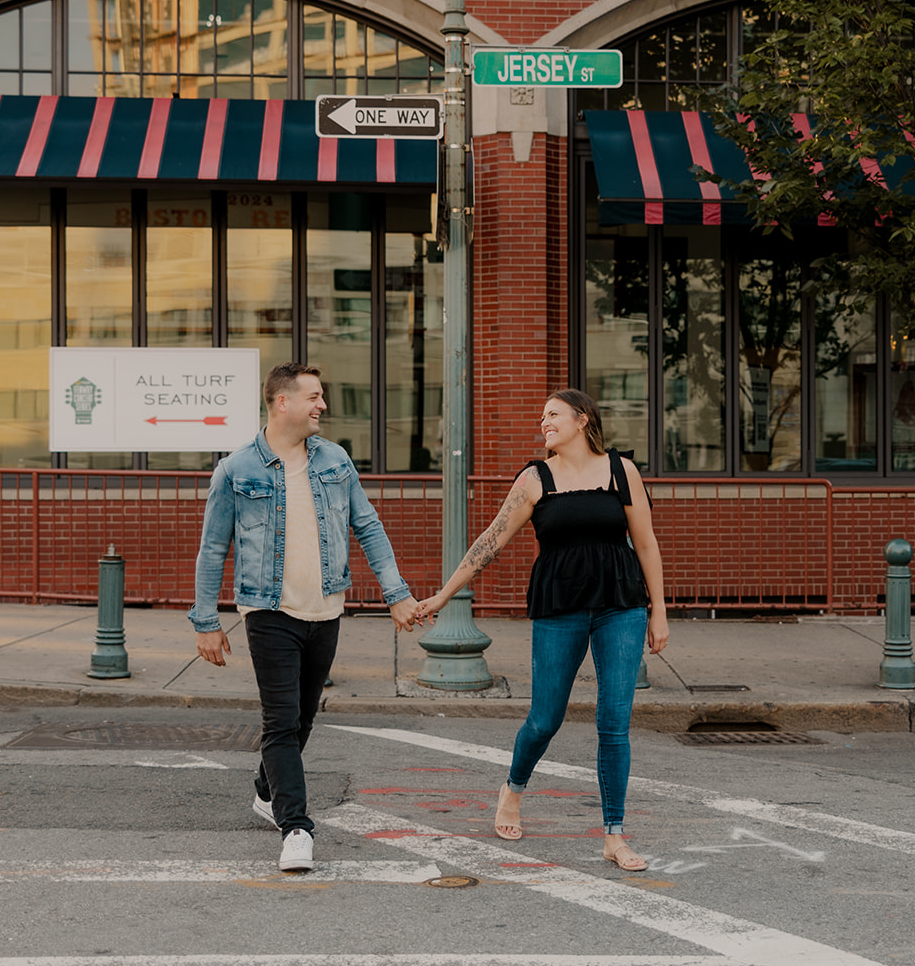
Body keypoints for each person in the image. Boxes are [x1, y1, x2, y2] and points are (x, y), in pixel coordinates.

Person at [417, 387, 668, 871]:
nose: (544, 422)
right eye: (542, 417)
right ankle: (513, 788)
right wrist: (444, 595)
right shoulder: (535, 479)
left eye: (554, 414)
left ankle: (614, 835)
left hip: (621, 605)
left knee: (614, 724)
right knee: (545, 718)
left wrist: (659, 610)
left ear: (583, 420)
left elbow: (647, 543)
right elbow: (489, 542)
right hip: (560, 607)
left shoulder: (622, 471)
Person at [189, 362, 421, 874]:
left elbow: (369, 526)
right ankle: (295, 827)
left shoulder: (334, 459)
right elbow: (212, 550)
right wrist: (205, 621)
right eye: (314, 396)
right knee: (280, 720)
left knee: (303, 717)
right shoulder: (236, 469)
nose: (322, 406)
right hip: (268, 609)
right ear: (282, 402)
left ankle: (265, 790)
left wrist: (396, 593)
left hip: (326, 608)